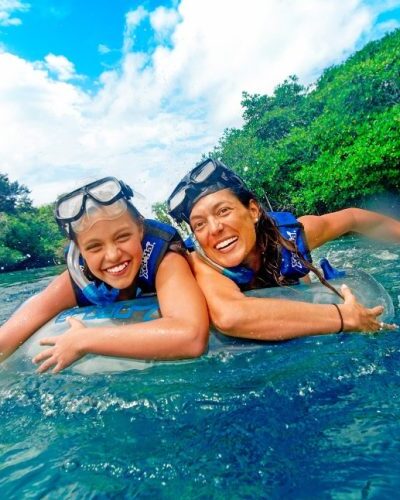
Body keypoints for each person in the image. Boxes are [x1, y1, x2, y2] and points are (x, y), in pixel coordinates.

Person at [167, 158, 399, 341]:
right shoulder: (202, 263)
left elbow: (353, 217)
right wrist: (343, 316)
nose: (214, 228)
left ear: (253, 211)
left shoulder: (289, 236)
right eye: (199, 224)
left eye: (223, 211)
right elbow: (231, 316)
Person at [0, 177, 209, 372]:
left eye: (122, 237)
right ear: (79, 250)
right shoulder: (78, 278)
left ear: (140, 229)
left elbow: (191, 337)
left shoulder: (165, 260)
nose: (113, 255)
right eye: (94, 247)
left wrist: (84, 340)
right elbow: (6, 338)